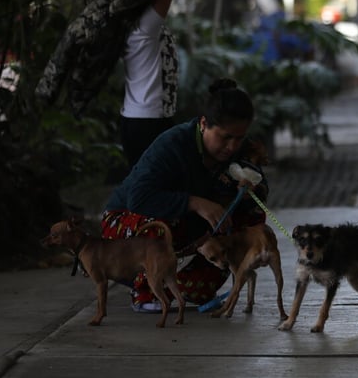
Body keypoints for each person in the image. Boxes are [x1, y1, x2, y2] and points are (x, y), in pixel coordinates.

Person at [102, 78, 268, 312]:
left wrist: (252, 191)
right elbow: (139, 199)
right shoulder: (173, 144)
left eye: (239, 138)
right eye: (224, 137)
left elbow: (259, 186)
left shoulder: (241, 150)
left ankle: (176, 286)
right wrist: (195, 205)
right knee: (161, 226)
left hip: (189, 228)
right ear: (203, 124)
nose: (232, 146)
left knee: (249, 217)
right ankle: (145, 291)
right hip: (127, 224)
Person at [120, 0, 178, 172]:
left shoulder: (134, 24)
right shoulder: (144, 26)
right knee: (152, 187)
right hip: (148, 120)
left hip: (140, 116)